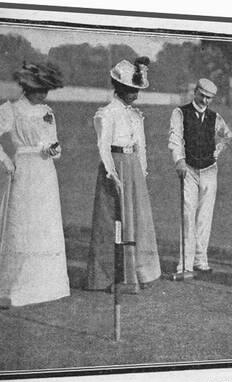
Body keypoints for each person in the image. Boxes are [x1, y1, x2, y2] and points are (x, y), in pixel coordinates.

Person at [0, 62, 71, 308]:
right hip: (25, 171)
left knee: (45, 225)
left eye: (47, 90)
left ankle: (47, 286)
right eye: (40, 89)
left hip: (46, 173)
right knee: (21, 225)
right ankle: (16, 286)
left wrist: (53, 149)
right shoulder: (11, 109)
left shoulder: (47, 110)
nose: (43, 94)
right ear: (27, 87)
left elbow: (53, 144)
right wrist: (5, 160)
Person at [84, 57, 161, 294]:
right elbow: (103, 146)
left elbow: (141, 147)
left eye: (136, 90)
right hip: (114, 168)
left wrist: (142, 171)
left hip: (133, 168)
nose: (134, 95)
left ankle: (138, 272)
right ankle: (112, 276)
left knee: (136, 220)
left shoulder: (136, 115)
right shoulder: (105, 114)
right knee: (114, 222)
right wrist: (112, 174)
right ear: (118, 88)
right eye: (130, 90)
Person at [168, 79, 232, 276]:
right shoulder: (180, 113)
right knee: (188, 215)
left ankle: (200, 259)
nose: (205, 100)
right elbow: (175, 138)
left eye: (209, 98)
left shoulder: (215, 117)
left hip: (209, 170)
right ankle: (185, 264)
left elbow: (227, 135)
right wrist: (178, 160)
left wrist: (217, 150)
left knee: (204, 216)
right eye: (202, 95)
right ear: (195, 92)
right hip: (188, 169)